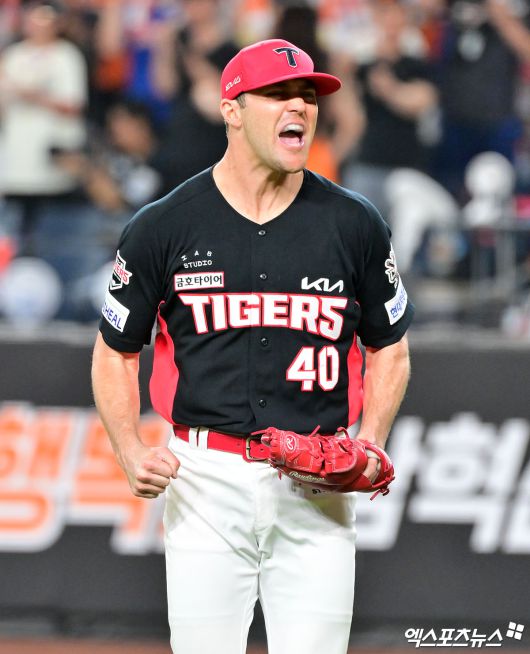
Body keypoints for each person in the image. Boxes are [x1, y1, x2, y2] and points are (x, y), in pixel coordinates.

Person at [91, 38, 414, 654]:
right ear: (231, 110)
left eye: (307, 95)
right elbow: (115, 349)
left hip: (318, 484)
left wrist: (370, 439)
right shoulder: (165, 224)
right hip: (204, 481)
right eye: (277, 94)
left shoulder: (354, 223)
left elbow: (389, 346)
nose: (299, 106)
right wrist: (128, 447)